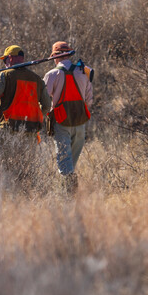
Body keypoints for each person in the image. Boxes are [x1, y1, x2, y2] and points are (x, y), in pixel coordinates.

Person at [0, 45, 52, 171]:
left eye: (5, 60)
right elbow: (47, 106)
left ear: (10, 58)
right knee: (25, 167)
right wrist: (34, 113)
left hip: (8, 128)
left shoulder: (5, 75)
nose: (4, 63)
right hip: (30, 130)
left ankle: (1, 188)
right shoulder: (37, 79)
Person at [43, 42, 93, 192]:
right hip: (80, 122)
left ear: (55, 57)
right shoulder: (83, 72)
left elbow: (44, 100)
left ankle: (67, 194)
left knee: (65, 163)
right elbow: (89, 100)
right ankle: (69, 191)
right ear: (69, 54)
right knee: (71, 163)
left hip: (61, 122)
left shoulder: (51, 74)